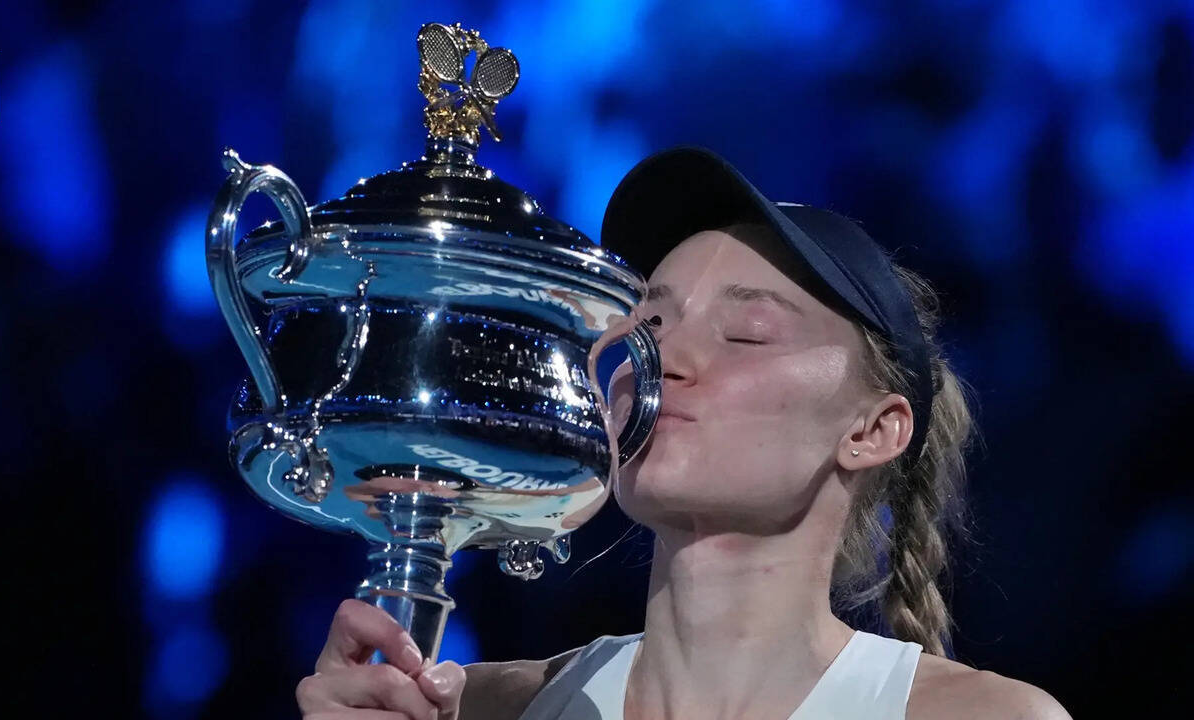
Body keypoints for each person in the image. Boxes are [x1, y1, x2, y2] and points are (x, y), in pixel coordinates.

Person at [294, 147, 1073, 720]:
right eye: (652, 322)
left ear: (873, 429)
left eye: (748, 334)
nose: (665, 358)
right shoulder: (479, 709)